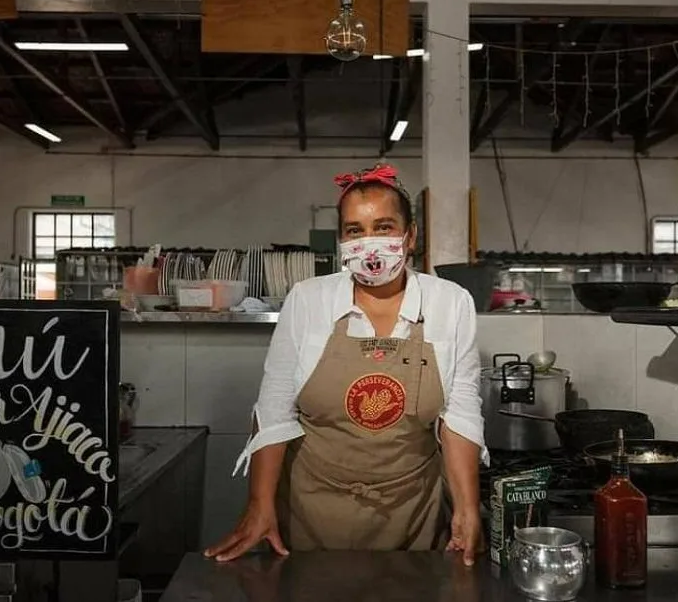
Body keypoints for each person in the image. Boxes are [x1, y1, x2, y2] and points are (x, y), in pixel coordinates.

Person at [204, 163, 487, 564]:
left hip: (411, 509)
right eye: (355, 230)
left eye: (385, 227)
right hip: (313, 508)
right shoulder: (307, 300)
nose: (369, 243)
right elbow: (273, 410)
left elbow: (458, 414)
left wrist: (467, 507)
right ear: (341, 241)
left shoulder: (450, 303)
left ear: (410, 238)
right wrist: (259, 503)